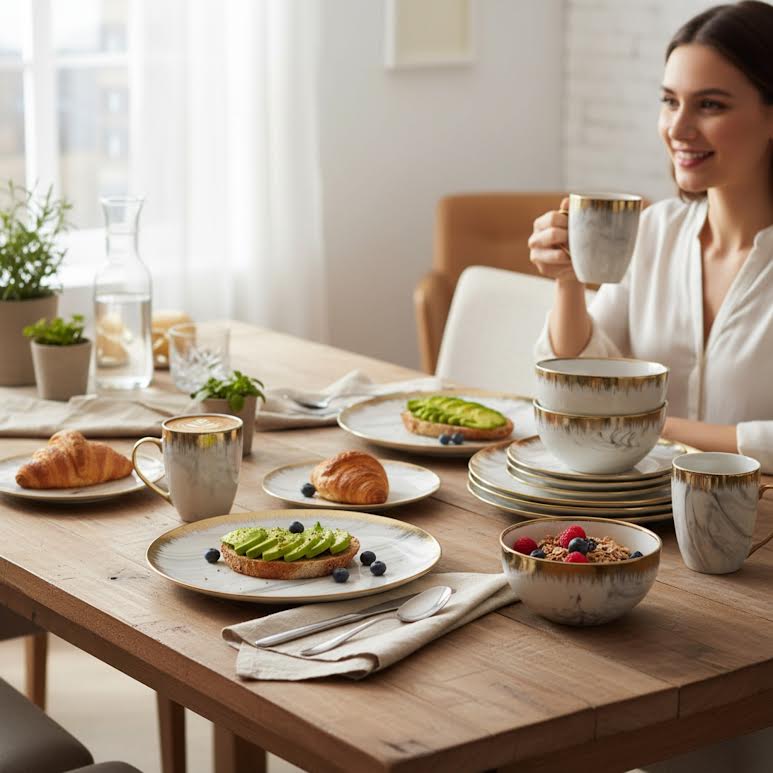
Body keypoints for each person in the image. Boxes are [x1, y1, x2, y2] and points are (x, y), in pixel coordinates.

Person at [529, 0, 773, 474]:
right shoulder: (654, 232)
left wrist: (645, 426)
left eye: (710, 105)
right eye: (669, 101)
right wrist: (568, 280)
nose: (677, 128)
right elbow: (580, 385)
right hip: (634, 515)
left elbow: (592, 415)